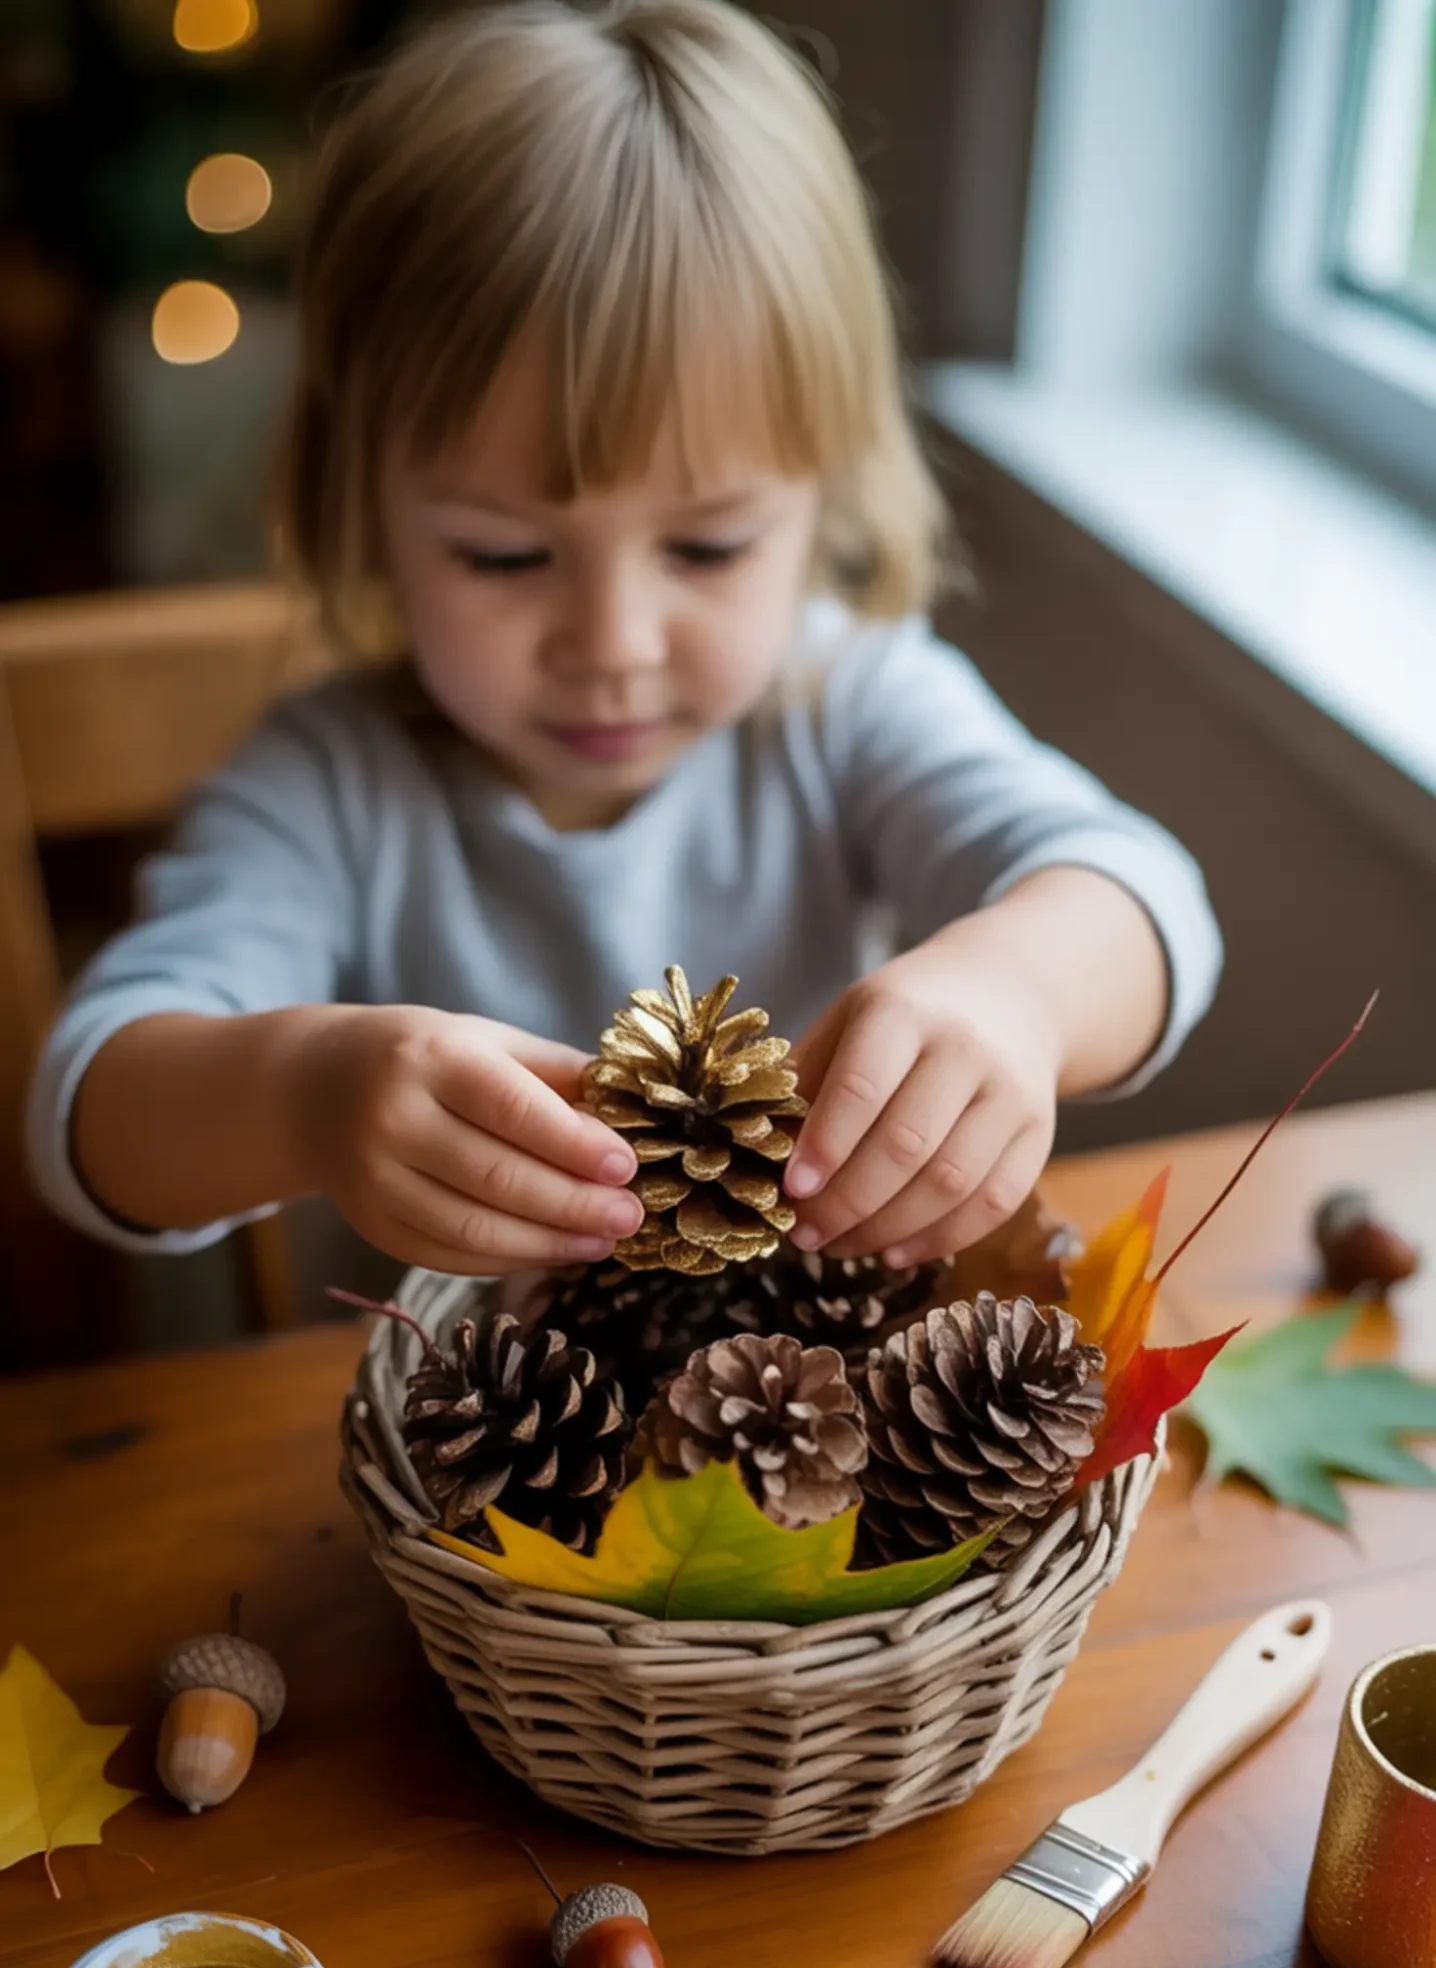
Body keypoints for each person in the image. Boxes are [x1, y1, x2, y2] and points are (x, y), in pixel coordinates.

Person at [27, 0, 1220, 1293]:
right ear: (362, 509)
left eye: (706, 550)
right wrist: (310, 1095)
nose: (612, 644)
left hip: (800, 1432)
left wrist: (1021, 995)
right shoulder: (328, 786)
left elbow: (1141, 897)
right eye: (504, 556)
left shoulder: (851, 703)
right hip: (467, 1446)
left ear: (824, 492)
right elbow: (90, 1104)